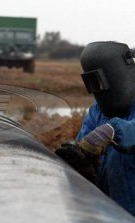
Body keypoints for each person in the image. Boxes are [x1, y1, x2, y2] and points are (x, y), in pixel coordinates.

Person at [56, 41, 135, 215]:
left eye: (101, 81)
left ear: (118, 74)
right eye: (93, 83)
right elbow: (85, 145)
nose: (99, 90)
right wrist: (77, 155)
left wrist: (112, 130)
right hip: (109, 211)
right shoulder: (97, 111)